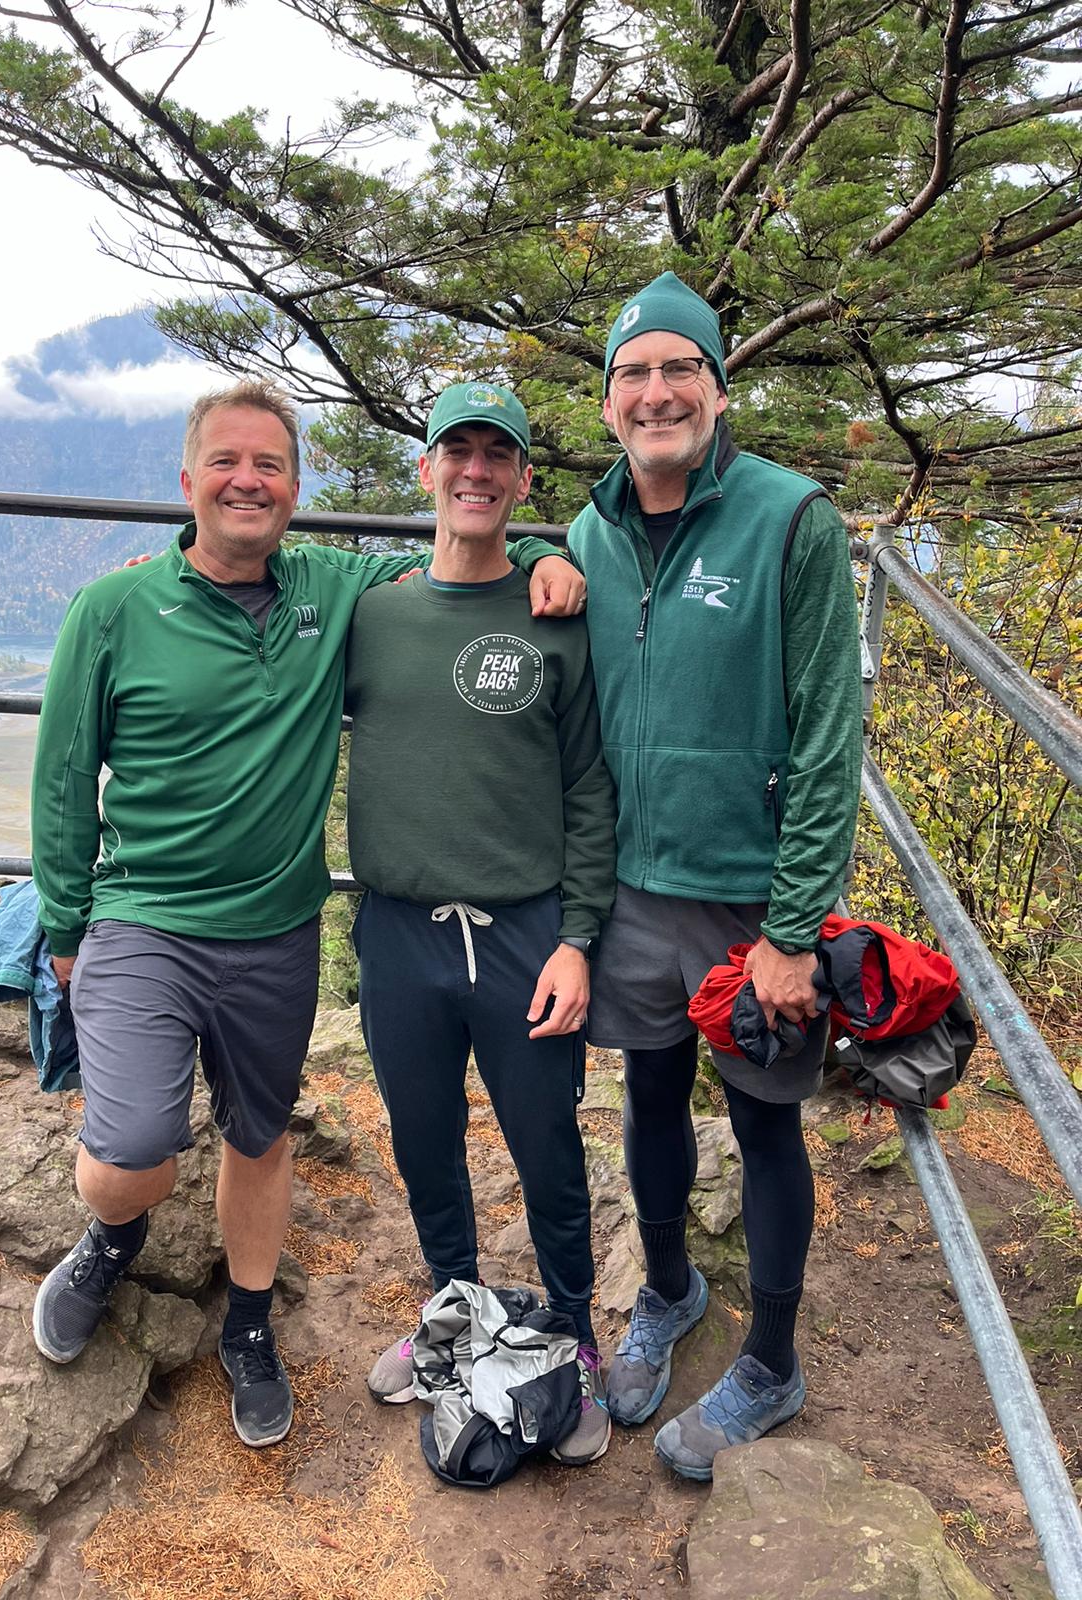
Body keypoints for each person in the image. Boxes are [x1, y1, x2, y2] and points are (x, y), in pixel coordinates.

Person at [28, 379, 583, 1449]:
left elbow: (461, 562)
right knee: (134, 1145)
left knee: (260, 1133)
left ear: (295, 488)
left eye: (271, 465)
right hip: (144, 915)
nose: (249, 480)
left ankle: (248, 1324)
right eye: (227, 463)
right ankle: (113, 1231)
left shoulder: (337, 588)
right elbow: (63, 782)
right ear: (188, 481)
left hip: (278, 925)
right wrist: (63, 930)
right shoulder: (113, 609)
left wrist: (564, 555)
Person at [569, 273, 862, 1478]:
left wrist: (795, 928)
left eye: (679, 367)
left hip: (751, 902)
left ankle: (773, 1362)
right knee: (647, 1099)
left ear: (719, 386)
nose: (657, 392)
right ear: (607, 405)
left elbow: (829, 733)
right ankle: (673, 1291)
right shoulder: (586, 532)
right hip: (636, 884)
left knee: (763, 1121)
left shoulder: (794, 521)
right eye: (634, 373)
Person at [344, 382, 617, 1467]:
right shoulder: (374, 612)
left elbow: (592, 787)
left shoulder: (559, 614)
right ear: (427, 471)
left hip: (525, 933)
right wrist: (171, 544)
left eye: (496, 455)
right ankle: (453, 1306)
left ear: (520, 482)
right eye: (455, 450)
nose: (474, 470)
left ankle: (575, 1336)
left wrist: (578, 936)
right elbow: (260, 576)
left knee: (547, 1144)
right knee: (424, 1141)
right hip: (399, 931)